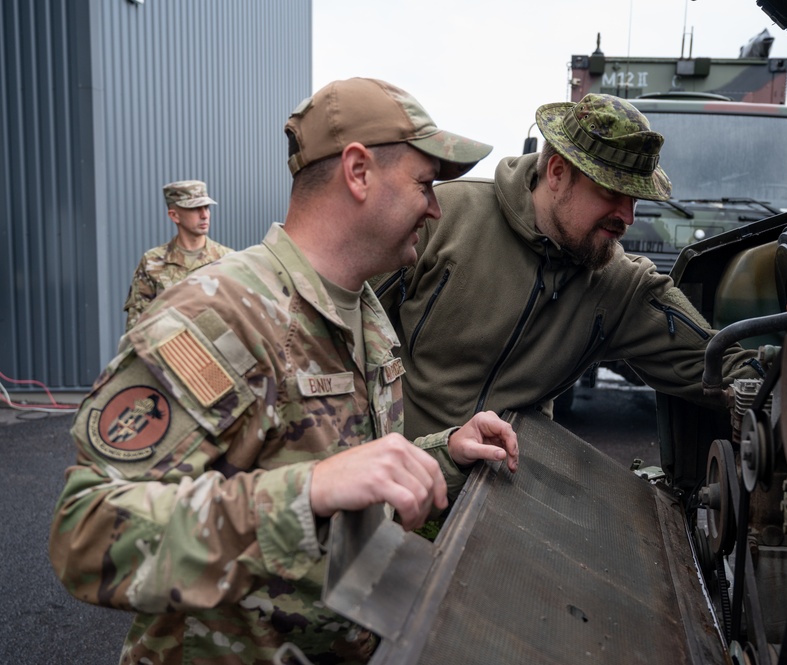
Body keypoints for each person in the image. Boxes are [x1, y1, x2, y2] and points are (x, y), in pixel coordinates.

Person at [49, 77, 518, 664]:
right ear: (358, 171)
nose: (435, 206)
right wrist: (309, 493)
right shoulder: (221, 315)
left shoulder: (364, 311)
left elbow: (342, 469)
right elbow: (86, 533)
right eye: (424, 183)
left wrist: (443, 455)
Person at [374, 93, 767, 440]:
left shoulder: (620, 286)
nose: (627, 217)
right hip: (398, 479)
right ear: (558, 173)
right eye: (612, 192)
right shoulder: (446, 218)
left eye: (636, 199)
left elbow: (718, 363)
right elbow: (343, 325)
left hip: (499, 500)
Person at [122, 179, 235, 331]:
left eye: (206, 207)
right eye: (195, 208)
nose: (204, 215)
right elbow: (137, 325)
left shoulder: (227, 259)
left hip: (215, 353)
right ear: (174, 215)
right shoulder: (152, 262)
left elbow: (240, 318)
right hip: (170, 351)